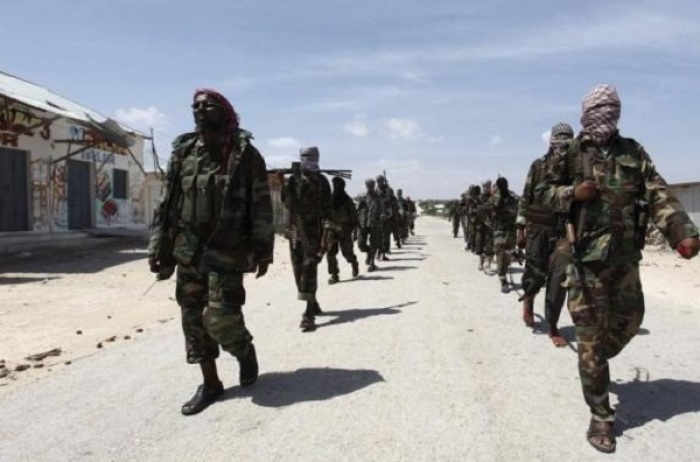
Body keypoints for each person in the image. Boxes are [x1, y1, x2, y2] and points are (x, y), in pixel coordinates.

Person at [544, 84, 700, 453]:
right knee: (592, 335)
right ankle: (601, 415)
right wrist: (571, 194)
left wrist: (682, 231)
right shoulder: (568, 156)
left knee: (631, 320)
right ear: (587, 114)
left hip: (625, 257)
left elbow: (658, 192)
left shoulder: (633, 152)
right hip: (585, 261)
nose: (607, 116)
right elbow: (541, 195)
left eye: (613, 109)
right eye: (600, 110)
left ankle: (594, 359)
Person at [148, 89, 273, 415]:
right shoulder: (182, 152)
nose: (200, 110)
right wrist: (159, 245)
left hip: (228, 249)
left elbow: (261, 204)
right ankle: (211, 383)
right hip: (188, 249)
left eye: (209, 105)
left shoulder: (245, 154)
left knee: (219, 317)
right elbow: (167, 202)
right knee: (193, 320)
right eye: (196, 106)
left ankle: (243, 348)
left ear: (225, 111)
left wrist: (263, 249)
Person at [516, 122, 574, 346]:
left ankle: (552, 324)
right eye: (559, 138)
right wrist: (520, 228)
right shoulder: (538, 166)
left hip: (563, 230)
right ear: (551, 140)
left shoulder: (574, 168)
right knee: (535, 272)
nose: (563, 144)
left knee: (559, 277)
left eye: (567, 139)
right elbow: (526, 197)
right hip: (538, 228)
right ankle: (529, 298)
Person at [279, 147, 332, 333]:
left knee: (309, 268)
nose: (309, 160)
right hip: (295, 232)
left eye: (312, 157)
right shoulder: (294, 180)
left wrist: (326, 237)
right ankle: (313, 301)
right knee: (298, 271)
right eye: (305, 157)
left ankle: (308, 314)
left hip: (314, 232)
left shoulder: (322, 181)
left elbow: (328, 212)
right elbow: (288, 204)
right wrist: (285, 183)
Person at [327, 176, 360, 284]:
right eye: (334, 185)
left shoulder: (347, 200)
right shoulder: (330, 199)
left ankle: (354, 262)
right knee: (331, 252)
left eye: (337, 185)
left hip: (345, 230)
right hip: (332, 229)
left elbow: (354, 216)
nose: (335, 187)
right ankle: (334, 274)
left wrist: (355, 230)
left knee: (347, 253)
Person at [491, 177, 518, 293]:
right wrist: (499, 194)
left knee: (508, 255)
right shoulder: (495, 197)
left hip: (511, 231)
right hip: (500, 230)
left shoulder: (513, 197)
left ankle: (504, 272)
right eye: (500, 184)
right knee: (501, 254)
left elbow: (519, 207)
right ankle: (503, 279)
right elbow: (495, 206)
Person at [357, 178, 382, 271]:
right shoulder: (362, 197)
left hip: (374, 224)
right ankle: (368, 253)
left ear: (374, 186)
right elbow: (357, 211)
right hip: (363, 224)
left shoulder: (378, 198)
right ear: (366, 186)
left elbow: (382, 210)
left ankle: (372, 263)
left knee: (373, 244)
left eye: (372, 185)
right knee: (360, 245)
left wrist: (381, 216)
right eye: (368, 185)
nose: (370, 187)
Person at [376, 174, 398, 259]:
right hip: (378, 216)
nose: (379, 183)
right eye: (378, 181)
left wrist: (388, 195)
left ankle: (384, 252)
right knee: (377, 236)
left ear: (383, 181)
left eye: (380, 181)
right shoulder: (376, 190)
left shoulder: (388, 189)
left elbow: (392, 201)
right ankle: (378, 251)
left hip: (387, 215)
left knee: (386, 235)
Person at [475, 180, 495, 272]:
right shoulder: (478, 198)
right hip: (480, 225)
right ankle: (481, 261)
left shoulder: (493, 198)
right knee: (479, 244)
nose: (485, 188)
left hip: (490, 226)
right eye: (484, 186)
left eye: (487, 186)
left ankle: (488, 264)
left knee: (489, 244)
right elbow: (473, 211)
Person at [466, 185, 481, 252]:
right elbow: (468, 208)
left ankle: (474, 247)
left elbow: (479, 208)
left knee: (475, 233)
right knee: (471, 233)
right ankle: (471, 246)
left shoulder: (478, 199)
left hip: (476, 218)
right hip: (470, 218)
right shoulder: (469, 199)